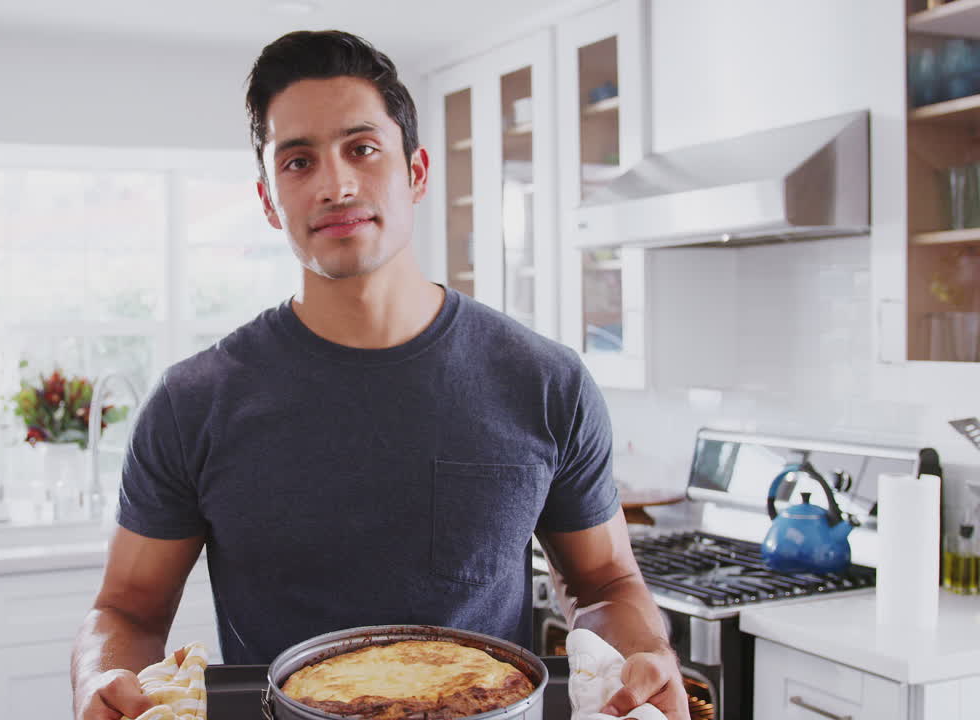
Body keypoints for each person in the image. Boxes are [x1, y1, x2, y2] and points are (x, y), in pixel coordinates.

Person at [72, 30, 688, 720]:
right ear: (270, 200)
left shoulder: (545, 382)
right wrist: (100, 675)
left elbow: (604, 582)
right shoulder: (194, 403)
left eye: (362, 149)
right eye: (298, 161)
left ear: (417, 173)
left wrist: (645, 655)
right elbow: (127, 607)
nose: (335, 185)